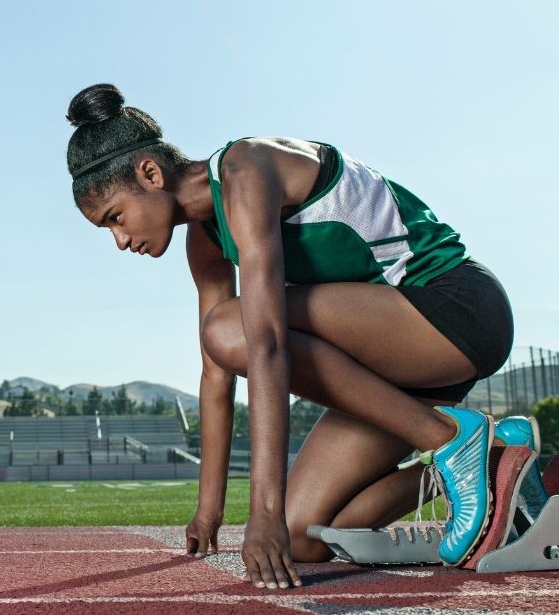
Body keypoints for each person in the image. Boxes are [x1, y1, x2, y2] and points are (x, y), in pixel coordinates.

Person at [63, 84, 515, 589]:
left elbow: (266, 344)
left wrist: (263, 513)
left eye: (116, 218)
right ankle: (503, 464)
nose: (121, 240)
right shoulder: (205, 241)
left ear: (150, 172)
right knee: (306, 536)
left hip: (454, 312)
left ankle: (450, 439)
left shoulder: (246, 169)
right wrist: (208, 511)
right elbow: (216, 376)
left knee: (233, 329)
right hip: (398, 373)